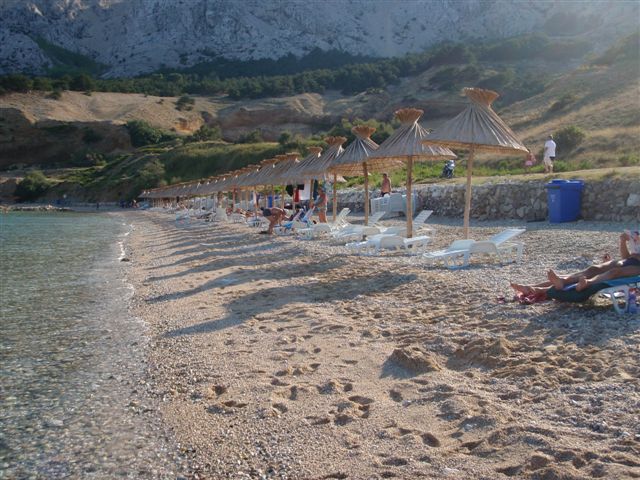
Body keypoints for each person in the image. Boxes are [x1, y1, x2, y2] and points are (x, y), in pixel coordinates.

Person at [511, 231, 640, 295]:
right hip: (629, 261)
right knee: (593, 269)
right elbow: (627, 257)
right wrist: (623, 242)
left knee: (614, 272)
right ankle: (532, 287)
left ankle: (541, 290)